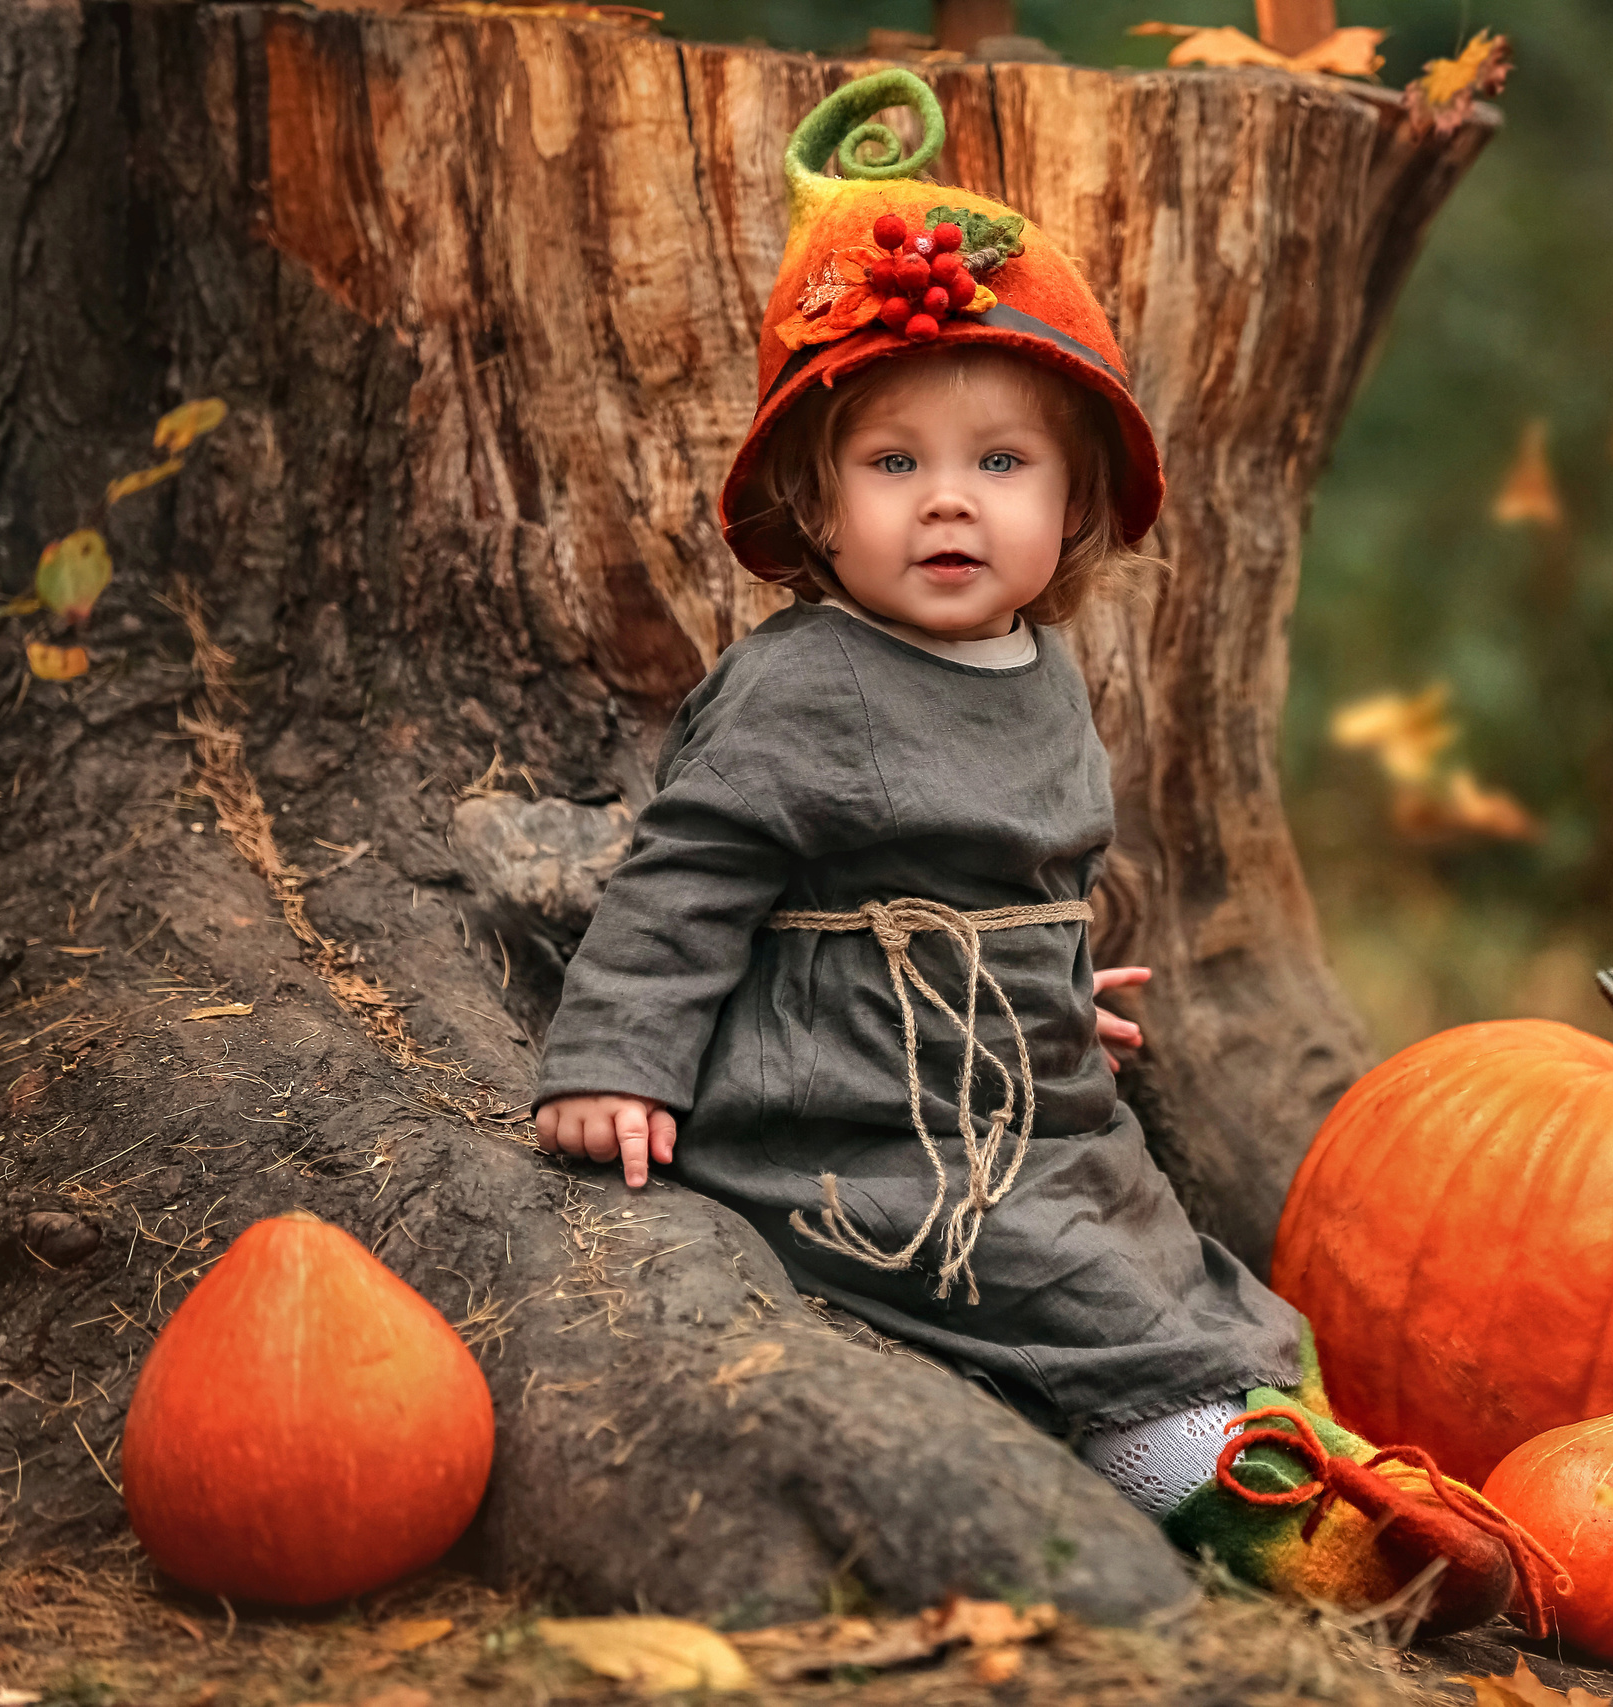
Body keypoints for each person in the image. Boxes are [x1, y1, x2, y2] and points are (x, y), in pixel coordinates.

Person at [530, 70, 1554, 1638]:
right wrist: (612, 1061)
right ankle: (1236, 1497)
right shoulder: (801, 682)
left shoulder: (1045, 675)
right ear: (814, 493)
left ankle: (1287, 1441)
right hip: (857, 1114)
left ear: (1074, 504)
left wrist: (1049, 982)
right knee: (1063, 1283)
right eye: (894, 463)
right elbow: (684, 884)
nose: (949, 499)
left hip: (1018, 1079)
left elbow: (1013, 884)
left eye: (1002, 464)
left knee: (1169, 1257)